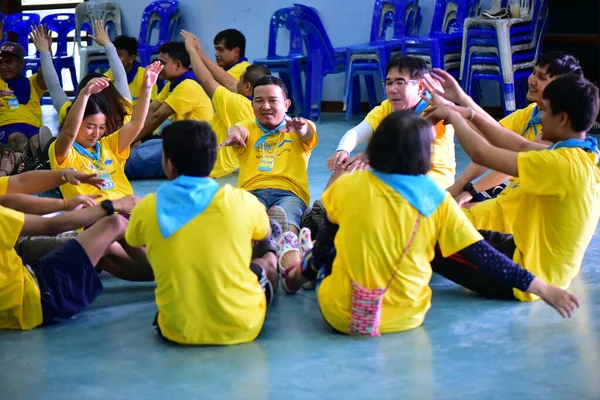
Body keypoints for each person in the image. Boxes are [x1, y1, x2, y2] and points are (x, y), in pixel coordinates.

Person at [276, 111, 579, 336]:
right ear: (424, 154)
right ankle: (300, 264)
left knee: (326, 249)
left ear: (377, 148)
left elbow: (326, 247)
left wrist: (308, 272)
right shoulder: (436, 199)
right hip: (408, 318)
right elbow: (483, 256)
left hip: (342, 314)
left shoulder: (348, 186)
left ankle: (292, 265)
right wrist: (543, 288)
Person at [424, 74, 600, 302]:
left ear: (563, 118)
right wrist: (465, 109)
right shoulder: (584, 154)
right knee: (448, 226)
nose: (541, 117)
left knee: (426, 236)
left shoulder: (561, 164)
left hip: (526, 276)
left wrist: (452, 115)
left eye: (545, 111)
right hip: (525, 253)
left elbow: (482, 154)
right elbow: (519, 144)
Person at [125, 120, 279, 345]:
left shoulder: (148, 207)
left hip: (177, 330)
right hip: (243, 325)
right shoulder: (243, 201)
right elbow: (262, 235)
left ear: (168, 163)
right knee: (266, 262)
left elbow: (132, 241)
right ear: (213, 159)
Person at [0, 193, 138, 330]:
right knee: (115, 223)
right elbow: (51, 226)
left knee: (104, 242)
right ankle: (159, 271)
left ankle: (157, 271)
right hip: (39, 295)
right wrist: (114, 205)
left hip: (26, 294)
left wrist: (66, 203)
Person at [326, 55, 455, 189]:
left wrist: (372, 156)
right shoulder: (387, 107)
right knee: (345, 167)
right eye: (389, 83)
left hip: (431, 182)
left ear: (420, 87)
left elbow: (410, 145)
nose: (392, 90)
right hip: (398, 173)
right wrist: (343, 150)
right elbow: (359, 132)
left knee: (372, 176)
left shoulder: (437, 109)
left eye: (400, 82)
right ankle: (322, 208)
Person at [49, 62, 162, 201]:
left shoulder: (107, 145)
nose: (96, 134)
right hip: (97, 217)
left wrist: (147, 87)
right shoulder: (65, 153)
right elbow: (68, 133)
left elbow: (136, 123)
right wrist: (84, 94)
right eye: (90, 126)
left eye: (101, 127)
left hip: (128, 210)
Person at [219, 76, 318, 234]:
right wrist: (234, 135)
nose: (266, 106)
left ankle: (289, 243)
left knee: (287, 226)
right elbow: (237, 129)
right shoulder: (248, 127)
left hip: (289, 193)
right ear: (252, 105)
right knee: (243, 228)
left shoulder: (297, 126)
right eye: (259, 101)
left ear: (286, 105)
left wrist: (301, 127)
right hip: (251, 192)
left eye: (273, 100)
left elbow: (307, 132)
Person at [182, 30, 270, 178]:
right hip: (202, 155)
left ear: (248, 87)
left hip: (197, 161)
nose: (236, 82)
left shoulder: (237, 103)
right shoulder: (256, 106)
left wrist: (191, 51)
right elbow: (229, 82)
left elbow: (207, 81)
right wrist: (201, 54)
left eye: (240, 80)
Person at [125, 41, 214, 179]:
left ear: (178, 65)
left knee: (124, 162)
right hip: (178, 141)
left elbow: (157, 118)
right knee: (142, 146)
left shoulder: (188, 86)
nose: (159, 66)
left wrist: (125, 142)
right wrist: (127, 136)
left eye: (163, 63)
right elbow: (151, 110)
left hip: (190, 151)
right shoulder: (173, 84)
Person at [0, 40, 47, 156]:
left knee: (38, 142)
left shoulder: (33, 82)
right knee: (19, 140)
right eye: (0, 62)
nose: (3, 66)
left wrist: (45, 51)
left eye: (9, 62)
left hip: (34, 126)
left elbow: (46, 73)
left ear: (21, 63)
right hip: (7, 125)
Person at [105, 35, 159, 106]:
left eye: (119, 55)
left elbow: (150, 107)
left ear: (131, 58)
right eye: (113, 55)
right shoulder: (107, 77)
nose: (114, 59)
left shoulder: (146, 77)